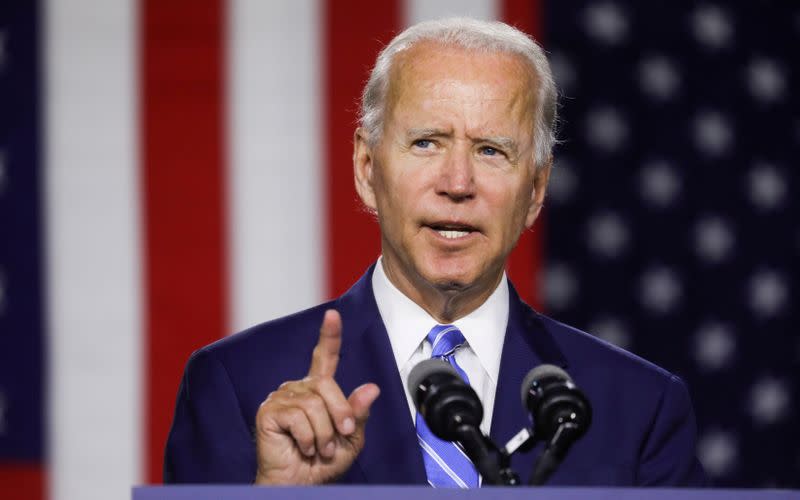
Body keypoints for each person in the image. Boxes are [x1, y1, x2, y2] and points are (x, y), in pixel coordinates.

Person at [164, 17, 707, 487]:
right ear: (367, 168)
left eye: (492, 150)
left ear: (536, 191)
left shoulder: (640, 408)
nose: (458, 182)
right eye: (427, 142)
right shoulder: (237, 385)